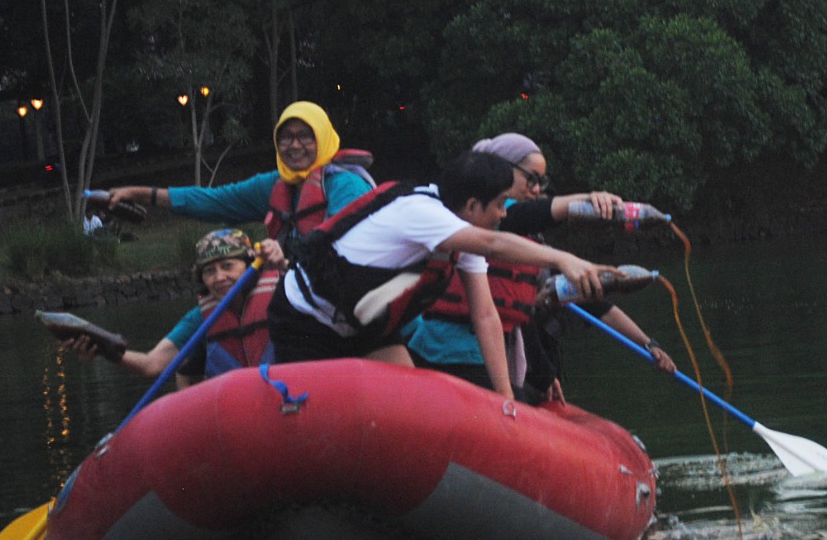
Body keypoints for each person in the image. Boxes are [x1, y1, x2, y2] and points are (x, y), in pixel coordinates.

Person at [266, 150, 615, 400]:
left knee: (410, 403)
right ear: (473, 206)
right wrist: (565, 259)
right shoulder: (420, 212)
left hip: (364, 326)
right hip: (306, 321)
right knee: (314, 410)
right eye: (498, 205)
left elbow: (485, 315)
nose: (503, 214)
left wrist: (507, 399)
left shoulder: (461, 234)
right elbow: (493, 243)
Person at [403, 132, 676, 401]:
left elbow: (596, 304)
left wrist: (647, 343)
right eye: (530, 179)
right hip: (448, 351)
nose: (536, 189)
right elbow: (530, 215)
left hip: (499, 355)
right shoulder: (483, 221)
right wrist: (587, 200)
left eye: (541, 182)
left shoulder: (525, 241)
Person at [103, 101, 372, 260]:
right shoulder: (275, 185)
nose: (294, 145)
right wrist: (140, 194)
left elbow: (344, 251)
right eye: (286, 137)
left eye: (305, 135)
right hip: (307, 301)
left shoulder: (348, 186)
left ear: (323, 138)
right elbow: (214, 202)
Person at [63, 228, 283, 389]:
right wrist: (103, 349)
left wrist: (282, 264)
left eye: (228, 266)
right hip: (236, 411)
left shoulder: (282, 294)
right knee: (187, 370)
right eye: (209, 272)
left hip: (287, 398)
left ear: (249, 266)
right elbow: (151, 364)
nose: (219, 278)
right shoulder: (201, 318)